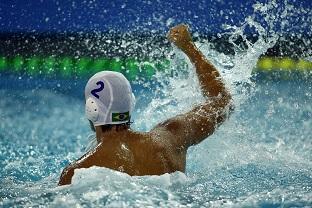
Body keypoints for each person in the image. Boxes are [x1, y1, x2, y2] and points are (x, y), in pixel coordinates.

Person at [58, 24, 233, 186]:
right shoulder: (171, 137)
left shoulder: (77, 173)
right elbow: (222, 102)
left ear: (91, 109)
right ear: (130, 104)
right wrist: (190, 48)